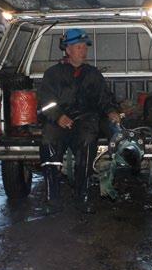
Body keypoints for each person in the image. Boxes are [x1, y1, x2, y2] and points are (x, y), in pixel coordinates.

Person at [38, 28, 120, 214]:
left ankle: (81, 197)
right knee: (48, 141)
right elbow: (45, 103)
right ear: (67, 50)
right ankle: (53, 198)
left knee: (87, 142)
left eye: (84, 47)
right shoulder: (52, 74)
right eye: (78, 47)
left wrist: (111, 111)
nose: (83, 51)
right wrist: (58, 116)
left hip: (85, 120)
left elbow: (104, 99)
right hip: (59, 120)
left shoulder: (93, 74)